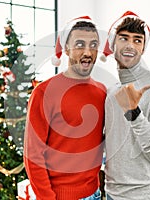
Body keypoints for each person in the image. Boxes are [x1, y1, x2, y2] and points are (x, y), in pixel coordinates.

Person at [23, 16, 106, 200]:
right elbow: (33, 156)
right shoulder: (44, 93)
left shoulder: (102, 91)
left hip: (95, 193)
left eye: (93, 45)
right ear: (66, 49)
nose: (87, 52)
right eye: (79, 44)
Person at [101, 11, 150, 200]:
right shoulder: (111, 92)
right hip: (111, 193)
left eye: (137, 40)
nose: (130, 45)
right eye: (124, 38)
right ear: (113, 44)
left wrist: (133, 113)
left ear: (143, 48)